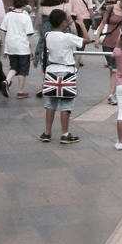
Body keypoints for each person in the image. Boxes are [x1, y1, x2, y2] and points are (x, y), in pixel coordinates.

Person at [40, 9, 84, 144]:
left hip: (52, 71)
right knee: (66, 103)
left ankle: (47, 133)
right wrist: (79, 24)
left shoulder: (48, 35)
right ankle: (65, 134)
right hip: (67, 72)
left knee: (51, 102)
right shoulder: (68, 37)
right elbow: (86, 40)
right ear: (64, 21)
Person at [93, 0, 122, 104]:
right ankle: (114, 93)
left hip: (121, 45)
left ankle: (112, 94)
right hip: (108, 43)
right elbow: (102, 22)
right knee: (113, 69)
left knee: (116, 70)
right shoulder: (111, 8)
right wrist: (97, 38)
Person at [34, 0, 71, 97]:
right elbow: (69, 21)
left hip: (46, 34)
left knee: (45, 59)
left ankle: (43, 84)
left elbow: (39, 24)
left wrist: (43, 33)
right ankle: (60, 82)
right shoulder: (66, 6)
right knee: (61, 58)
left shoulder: (42, 8)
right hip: (62, 33)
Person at [0, 0, 36, 98]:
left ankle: (7, 80)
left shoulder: (8, 15)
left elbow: (2, 32)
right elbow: (30, 35)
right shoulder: (26, 17)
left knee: (14, 66)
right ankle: (20, 91)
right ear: (25, 4)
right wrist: (33, 49)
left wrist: (4, 47)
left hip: (10, 46)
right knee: (23, 70)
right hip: (23, 46)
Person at [67, 0, 93, 67]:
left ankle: (76, 55)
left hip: (75, 18)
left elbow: (69, 7)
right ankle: (79, 57)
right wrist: (93, 20)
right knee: (83, 39)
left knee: (76, 38)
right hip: (85, 19)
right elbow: (90, 9)